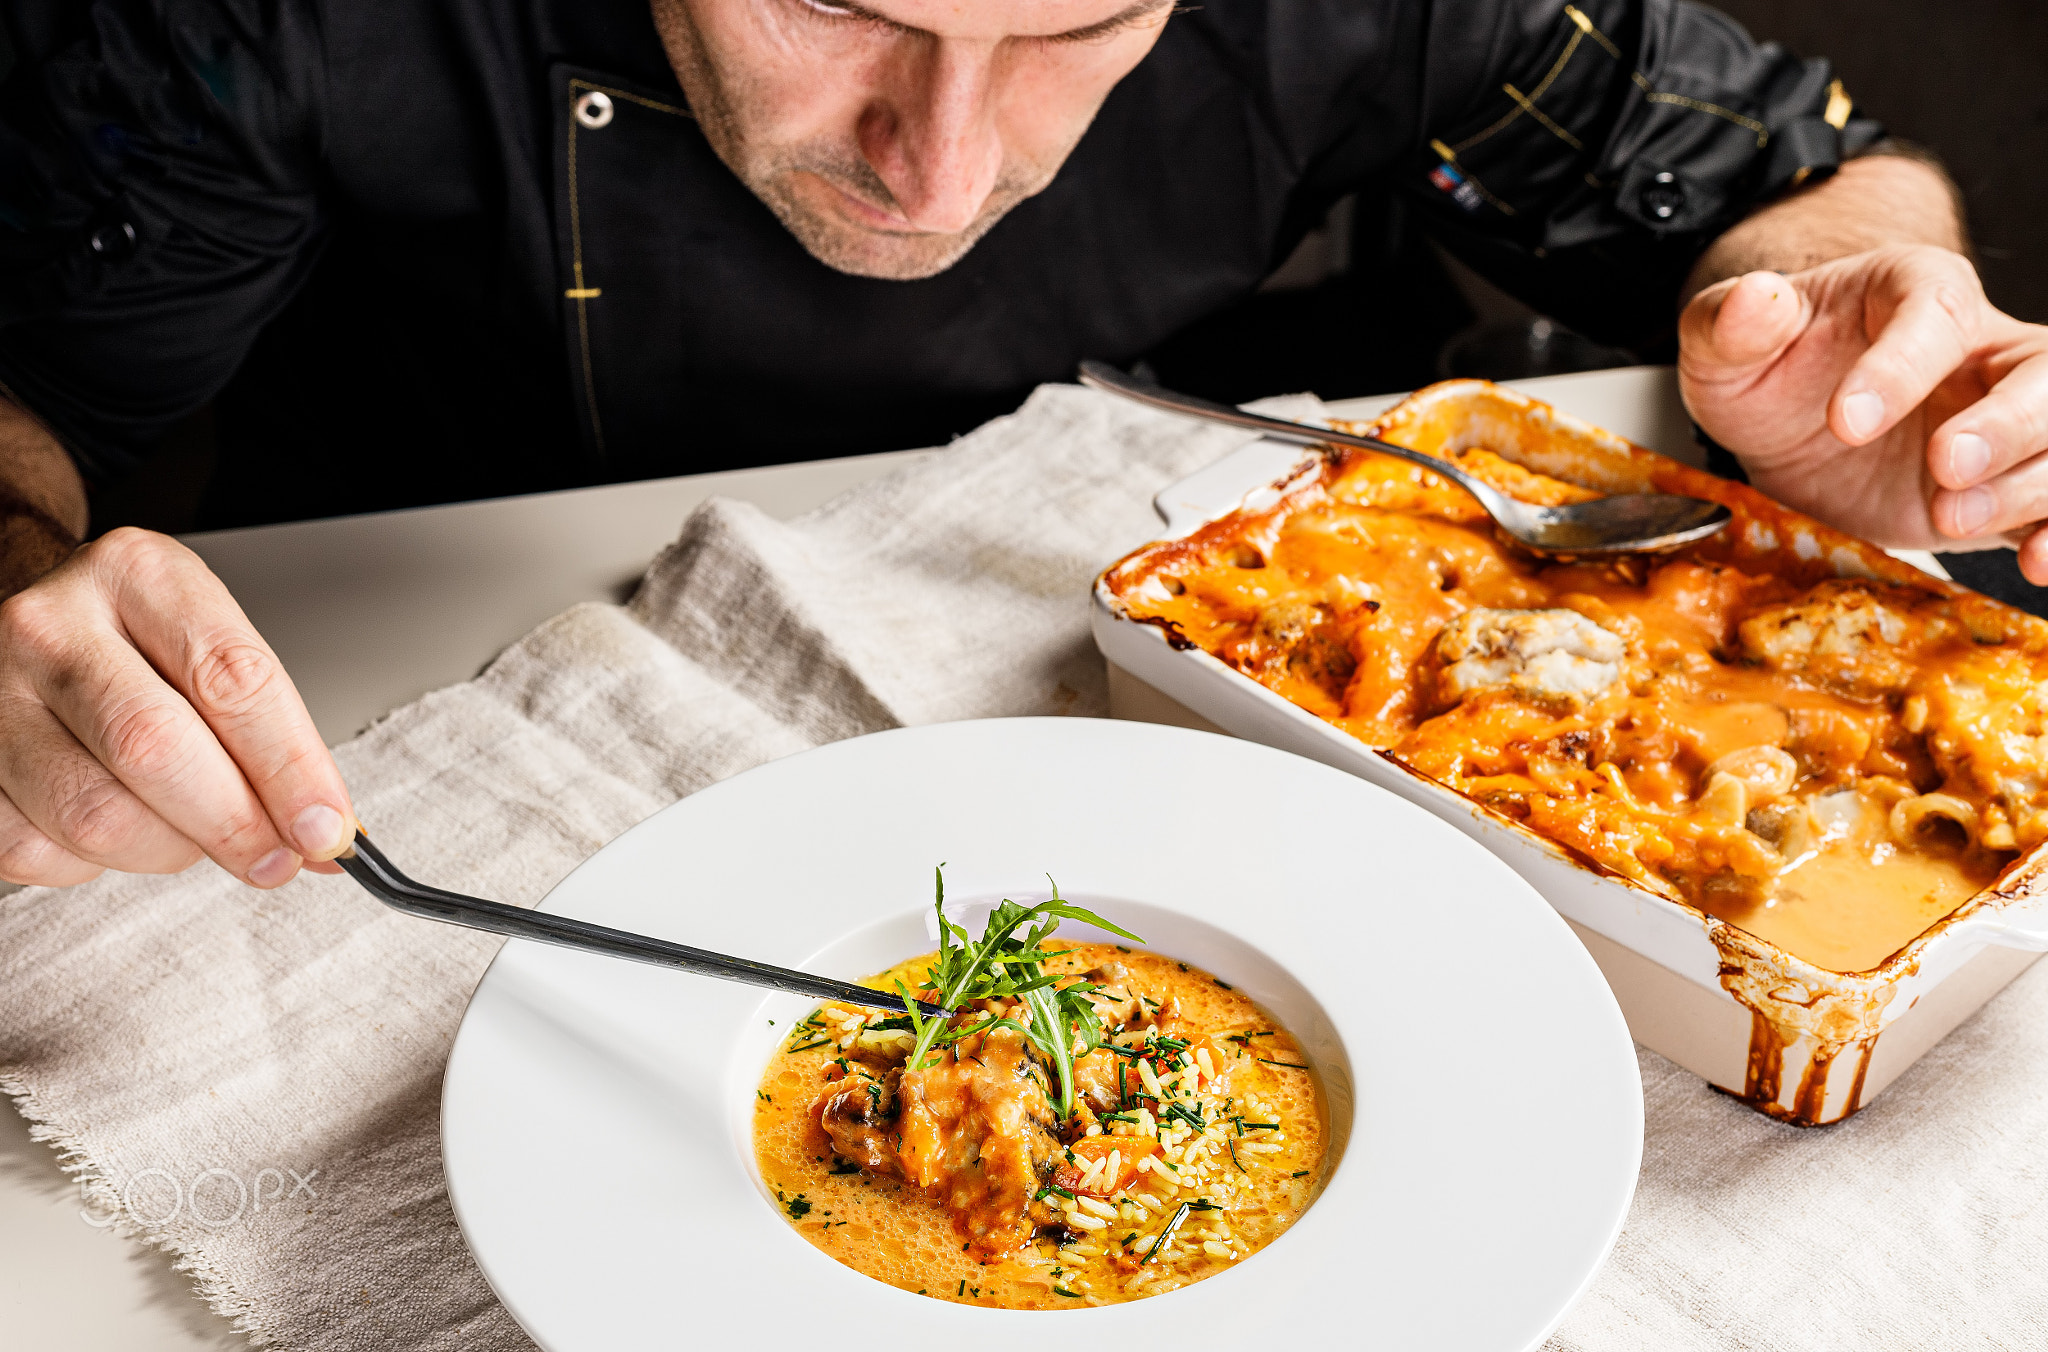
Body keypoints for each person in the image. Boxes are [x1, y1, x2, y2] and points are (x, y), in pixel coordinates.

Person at [0, 0, 2041, 892]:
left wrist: (1864, 335)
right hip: (429, 701)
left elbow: (1795, 171)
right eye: (836, 4)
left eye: (1073, 28)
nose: (941, 165)